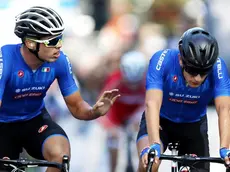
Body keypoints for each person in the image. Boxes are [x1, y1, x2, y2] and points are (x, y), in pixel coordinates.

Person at [0, 6, 120, 172]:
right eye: (52, 41)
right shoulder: (5, 60)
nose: (59, 46)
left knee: (60, 156)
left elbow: (77, 106)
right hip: (3, 124)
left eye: (60, 39)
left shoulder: (60, 61)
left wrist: (94, 111)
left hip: (34, 120)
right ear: (30, 43)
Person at [136, 27, 230, 172]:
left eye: (204, 72)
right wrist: (154, 144)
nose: (198, 78)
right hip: (161, 122)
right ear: (181, 60)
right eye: (192, 70)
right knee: (149, 163)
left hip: (193, 126)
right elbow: (152, 103)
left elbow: (224, 108)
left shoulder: (218, 67)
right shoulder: (162, 60)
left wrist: (225, 148)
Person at [98, 50, 147, 172]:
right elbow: (101, 105)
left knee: (144, 141)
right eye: (130, 83)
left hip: (137, 117)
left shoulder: (149, 81)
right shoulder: (114, 80)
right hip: (116, 117)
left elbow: (154, 104)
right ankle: (112, 168)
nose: (133, 87)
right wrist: (110, 126)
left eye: (136, 84)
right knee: (112, 140)